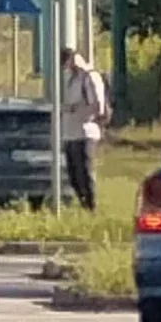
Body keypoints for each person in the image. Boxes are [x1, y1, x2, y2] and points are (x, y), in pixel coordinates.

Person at [61, 47, 108, 211]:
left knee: (84, 173)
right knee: (73, 175)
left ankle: (91, 206)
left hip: (85, 132)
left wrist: (75, 110)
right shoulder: (69, 78)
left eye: (65, 63)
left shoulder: (89, 77)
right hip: (69, 132)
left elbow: (97, 107)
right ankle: (83, 205)